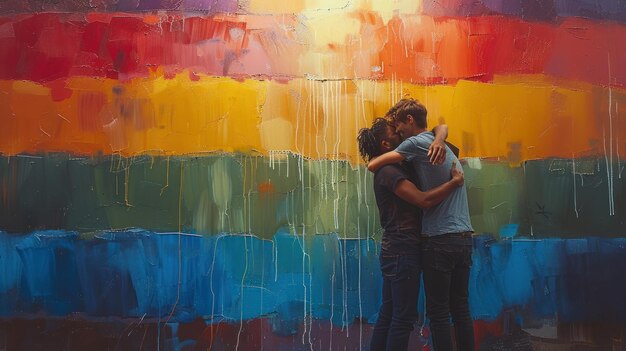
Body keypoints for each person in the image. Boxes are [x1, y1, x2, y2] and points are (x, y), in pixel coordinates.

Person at [368, 99, 475, 351]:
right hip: (463, 237)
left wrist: (439, 138)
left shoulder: (413, 145)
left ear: (409, 121)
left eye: (399, 127)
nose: (399, 133)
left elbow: (374, 165)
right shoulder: (435, 147)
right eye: (393, 131)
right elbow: (440, 127)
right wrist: (439, 139)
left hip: (437, 240)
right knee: (459, 309)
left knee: (434, 314)